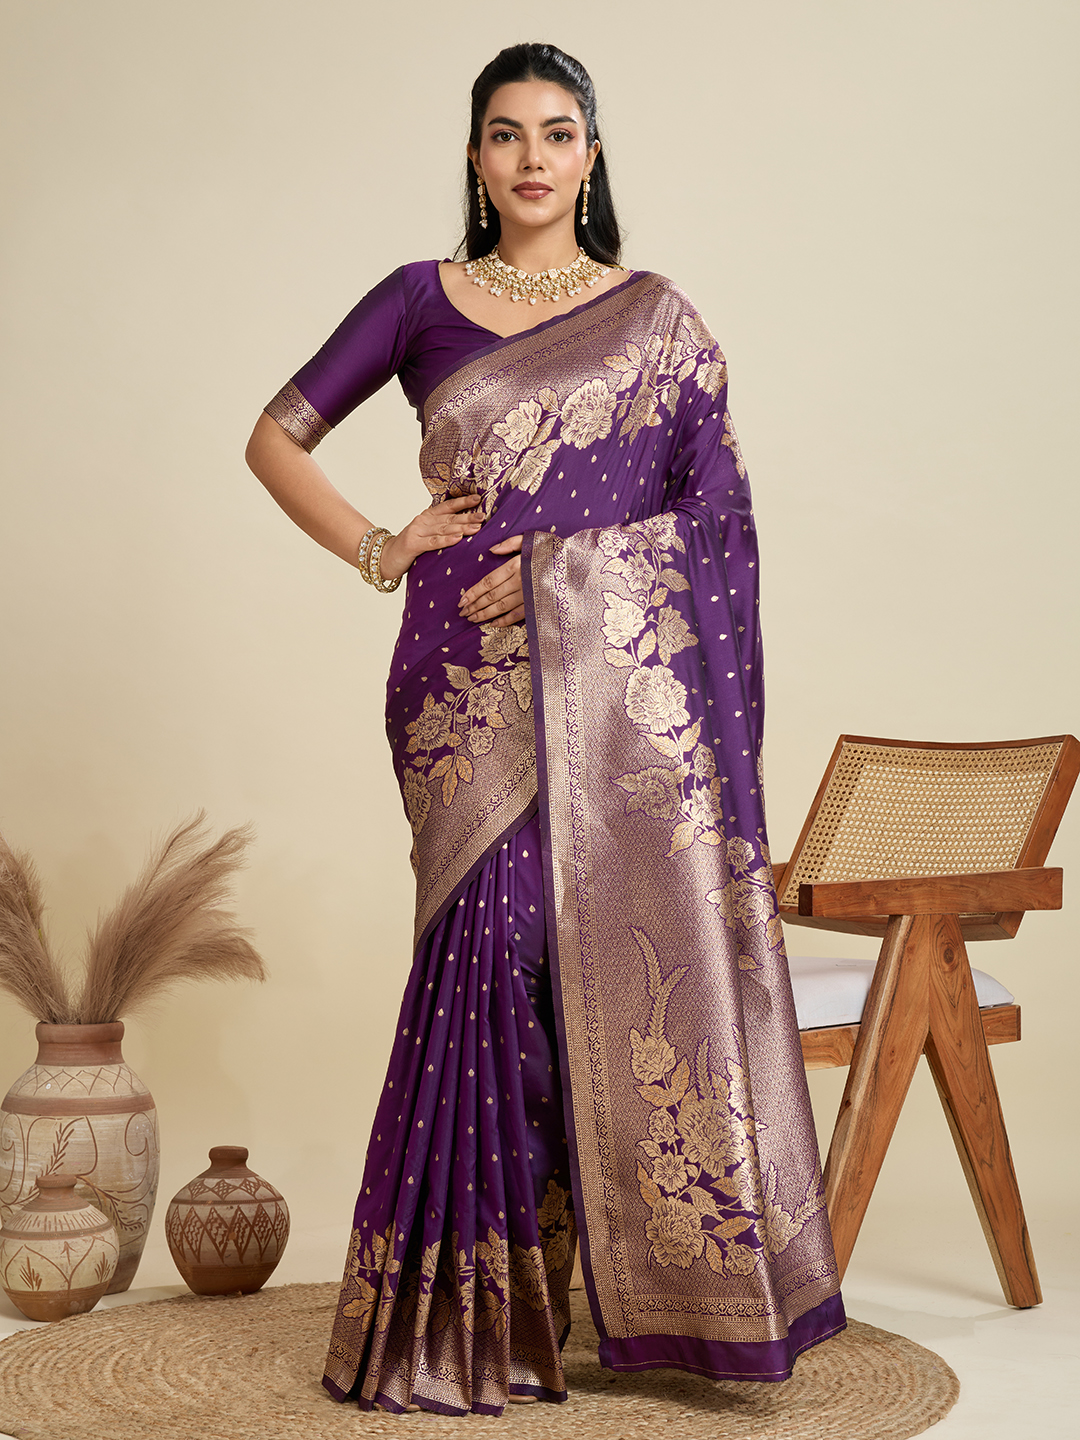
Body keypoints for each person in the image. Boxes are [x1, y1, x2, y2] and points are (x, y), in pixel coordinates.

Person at [246, 41, 844, 1419]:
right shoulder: (417, 299)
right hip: (462, 686)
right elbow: (274, 437)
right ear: (476, 156)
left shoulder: (655, 319)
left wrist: (574, 577)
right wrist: (382, 545)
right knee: (491, 957)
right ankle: (467, 1314)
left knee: (587, 959)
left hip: (616, 694)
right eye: (506, 133)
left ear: (590, 156)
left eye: (557, 132)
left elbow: (717, 520)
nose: (531, 157)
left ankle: (608, 1295)